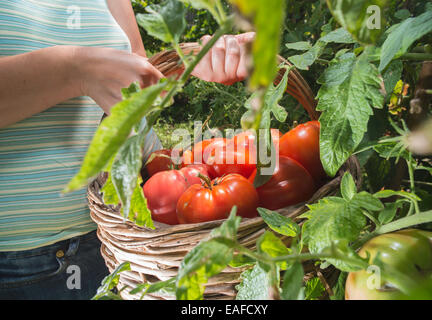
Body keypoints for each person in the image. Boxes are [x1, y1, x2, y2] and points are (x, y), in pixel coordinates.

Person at [0, 0, 253, 299]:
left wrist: (199, 58)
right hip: (20, 267)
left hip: (128, 241)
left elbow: (138, 75)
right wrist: (75, 69)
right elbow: (92, 70)